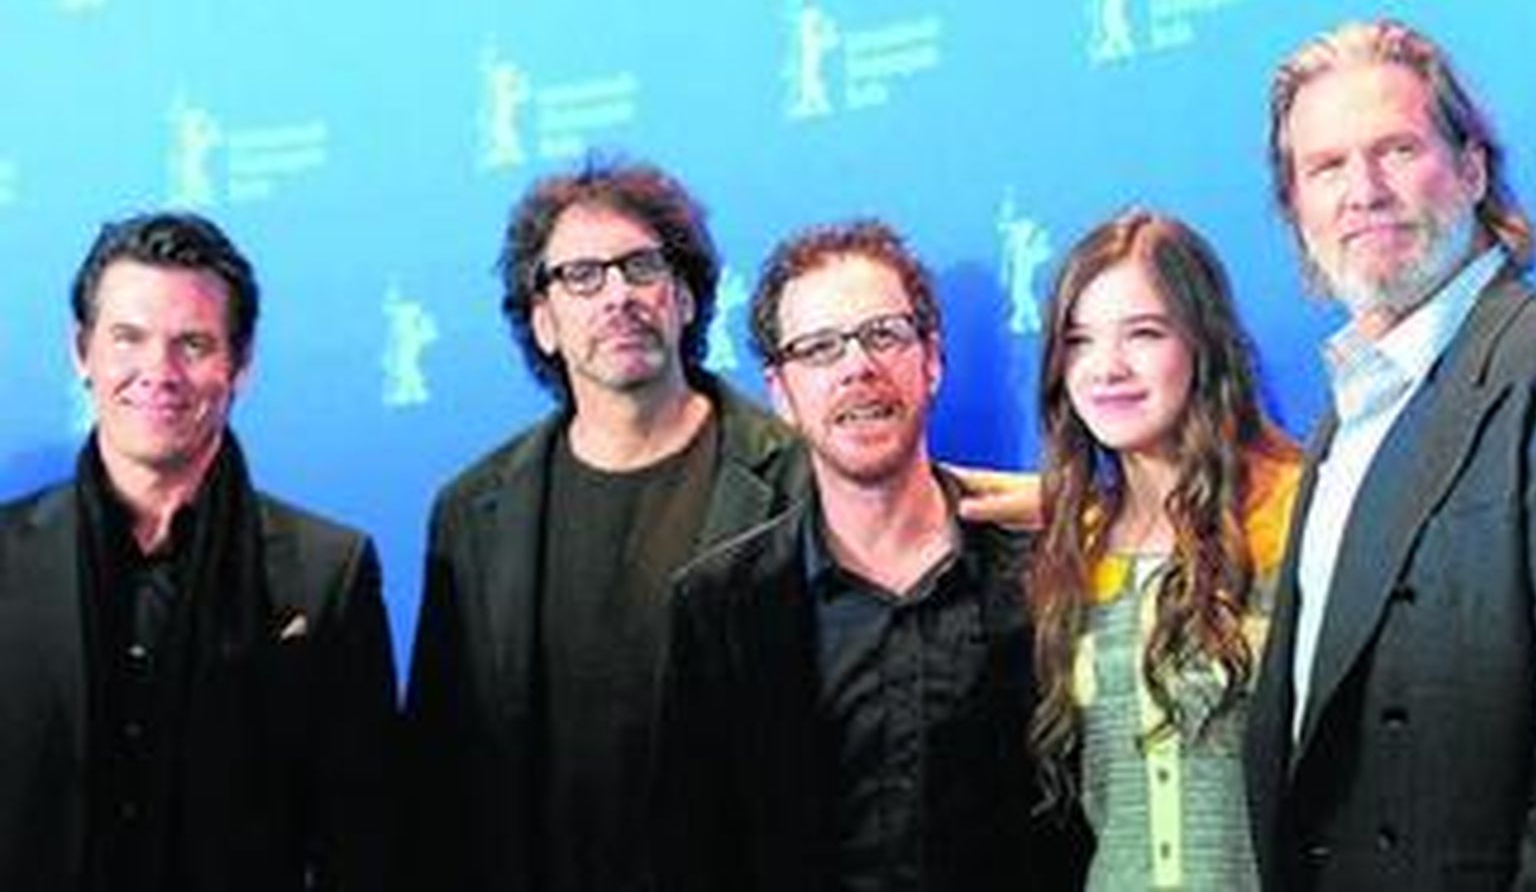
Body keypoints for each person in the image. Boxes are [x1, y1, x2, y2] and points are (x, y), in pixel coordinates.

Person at [1243, 18, 1536, 889]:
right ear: (1296, 208)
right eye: (1325, 166)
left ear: (1473, 169)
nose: (1362, 190)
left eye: (1396, 149)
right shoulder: (1348, 412)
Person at [402, 157, 811, 892]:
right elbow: (436, 778)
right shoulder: (471, 513)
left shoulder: (799, 481)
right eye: (581, 277)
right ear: (543, 322)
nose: (617, 295)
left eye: (640, 266)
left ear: (684, 298)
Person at [652, 219, 1081, 891]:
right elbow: (693, 858)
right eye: (820, 349)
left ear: (931, 359)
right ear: (781, 393)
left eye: (883, 335)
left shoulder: (1048, 572)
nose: (858, 366)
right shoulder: (720, 608)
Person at [0, 212, 397, 892]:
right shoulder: (7, 557)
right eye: (128, 337)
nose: (158, 371)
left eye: (192, 344)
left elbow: (362, 842)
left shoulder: (327, 572)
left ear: (240, 365)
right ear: (81, 350)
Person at [1028, 210, 1302, 890]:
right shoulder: (1074, 547)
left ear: (1204, 345)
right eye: (1080, 341)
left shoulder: (1303, 514)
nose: (1107, 368)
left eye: (1144, 334)